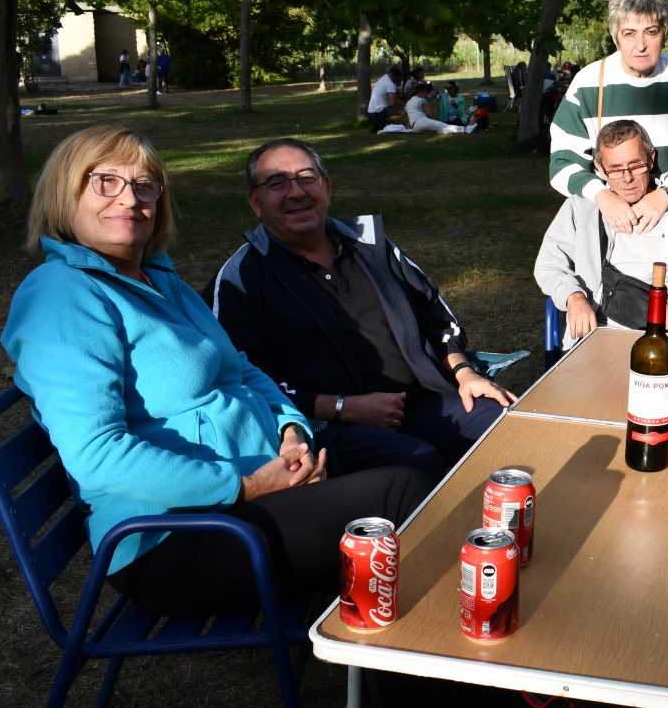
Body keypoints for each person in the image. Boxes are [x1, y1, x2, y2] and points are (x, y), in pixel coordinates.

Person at [0, 125, 432, 618]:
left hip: (261, 474)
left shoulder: (158, 277)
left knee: (420, 460)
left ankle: (401, 654)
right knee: (401, 495)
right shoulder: (62, 296)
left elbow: (243, 371)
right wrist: (246, 485)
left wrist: (293, 432)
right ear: (64, 193)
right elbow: (98, 455)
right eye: (105, 181)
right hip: (175, 538)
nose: (130, 198)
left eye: (145, 185)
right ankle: (425, 674)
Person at [209, 138, 512, 481]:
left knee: (508, 421)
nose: (296, 193)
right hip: (326, 429)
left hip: (421, 401)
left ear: (327, 186)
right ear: (256, 202)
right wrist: (342, 407)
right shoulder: (242, 278)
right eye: (276, 183)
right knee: (416, 465)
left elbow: (435, 315)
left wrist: (464, 372)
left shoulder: (370, 245)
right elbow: (242, 378)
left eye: (307, 178)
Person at [536, 120, 668, 346]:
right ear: (599, 168)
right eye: (615, 169)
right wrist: (573, 297)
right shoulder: (581, 207)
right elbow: (549, 265)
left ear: (651, 158)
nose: (627, 178)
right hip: (599, 330)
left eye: (636, 166)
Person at [549, 0, 668, 237]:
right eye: (629, 33)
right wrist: (602, 196)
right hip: (607, 219)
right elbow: (562, 163)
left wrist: (663, 195)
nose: (641, 45)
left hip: (667, 215)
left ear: (664, 33)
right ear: (616, 37)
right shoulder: (588, 84)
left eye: (651, 32)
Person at [405, 83, 477, 134]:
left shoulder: (409, 102)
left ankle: (451, 131)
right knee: (443, 125)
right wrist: (433, 111)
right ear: (421, 92)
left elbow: (410, 118)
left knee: (439, 129)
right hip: (421, 122)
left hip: (415, 127)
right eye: (426, 92)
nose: (426, 94)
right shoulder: (421, 100)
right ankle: (466, 129)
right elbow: (430, 113)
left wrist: (409, 126)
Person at [367, 65, 405, 130]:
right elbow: (393, 103)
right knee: (403, 113)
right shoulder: (390, 84)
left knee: (396, 105)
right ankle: (384, 122)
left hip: (371, 112)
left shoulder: (383, 78)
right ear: (396, 77)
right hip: (379, 112)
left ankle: (385, 122)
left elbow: (392, 95)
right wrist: (402, 106)